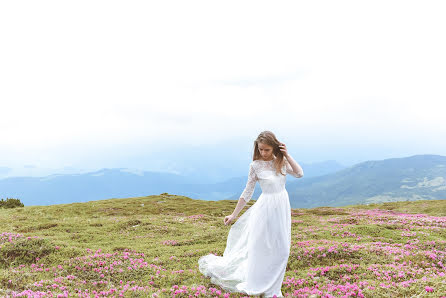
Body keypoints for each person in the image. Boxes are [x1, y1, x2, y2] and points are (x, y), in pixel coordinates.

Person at [198, 131, 304, 298]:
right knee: (261, 247)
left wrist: (287, 155)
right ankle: (260, 284)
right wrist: (234, 215)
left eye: (267, 150)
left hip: (281, 207)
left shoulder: (281, 162)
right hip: (264, 208)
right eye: (260, 149)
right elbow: (247, 192)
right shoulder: (255, 165)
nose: (263, 153)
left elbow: (299, 174)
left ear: (275, 148)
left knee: (282, 249)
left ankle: (273, 286)